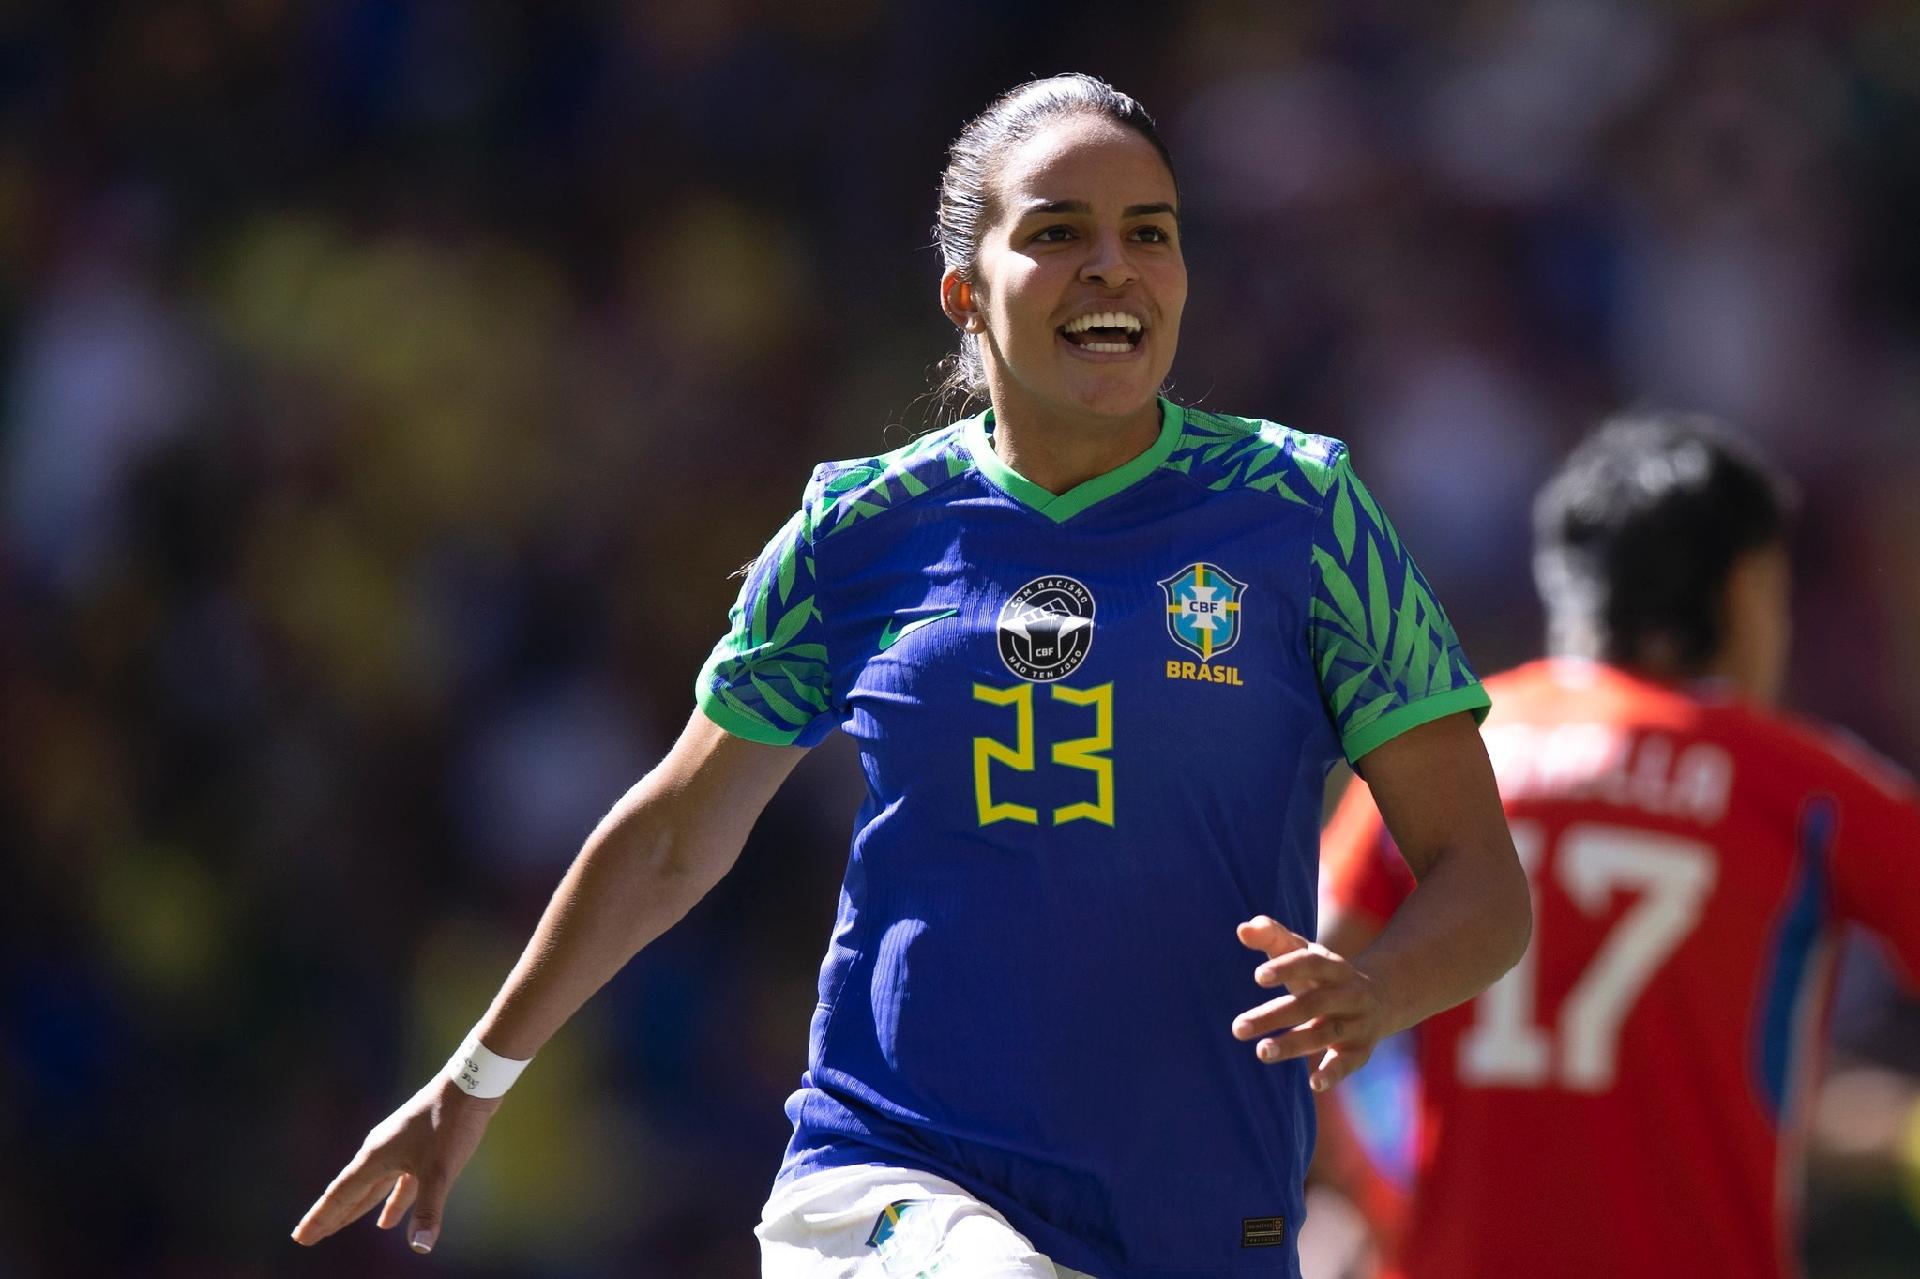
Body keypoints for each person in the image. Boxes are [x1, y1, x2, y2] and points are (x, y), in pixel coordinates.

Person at [291, 73, 1529, 1279]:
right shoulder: (860, 528)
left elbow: (1483, 883)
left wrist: (1374, 989)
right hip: (891, 1185)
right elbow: (677, 833)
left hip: (1206, 1221)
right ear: (965, 293)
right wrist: (473, 1079)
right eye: (1058, 233)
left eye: (1148, 232)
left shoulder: (1301, 512)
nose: (1114, 265)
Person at [1317, 411, 1920, 1279]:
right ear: (1747, 590)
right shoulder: (1803, 788)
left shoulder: (1446, 752)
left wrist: (1371, 1202)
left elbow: (1295, 1000)